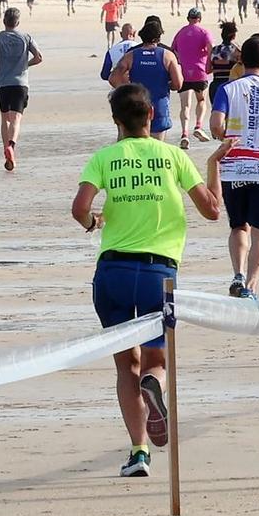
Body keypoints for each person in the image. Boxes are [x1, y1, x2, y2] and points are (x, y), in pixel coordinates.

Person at [71, 83, 220, 478]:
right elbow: (212, 211)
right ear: (151, 116)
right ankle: (154, 388)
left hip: (113, 271)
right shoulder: (173, 156)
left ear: (116, 121)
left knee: (125, 365)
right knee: (156, 360)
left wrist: (93, 222)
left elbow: (80, 208)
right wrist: (213, 169)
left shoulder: (104, 157)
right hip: (159, 272)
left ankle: (138, 452)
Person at [208, 35, 259, 300]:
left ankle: (238, 274)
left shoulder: (227, 89)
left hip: (233, 167)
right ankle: (251, 286)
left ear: (241, 59)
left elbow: (216, 124)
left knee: (239, 226)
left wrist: (225, 137)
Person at [112, 16, 186, 146]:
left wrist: (128, 90)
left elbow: (113, 78)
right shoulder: (167, 55)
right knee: (157, 149)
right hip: (159, 106)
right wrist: (168, 85)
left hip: (137, 106)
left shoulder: (131, 55)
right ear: (158, 37)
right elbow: (178, 84)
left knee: (134, 149)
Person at [0, 8, 42, 172]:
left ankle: (6, 152)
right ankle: (11, 146)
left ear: (4, 21)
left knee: (5, 119)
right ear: (17, 22)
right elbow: (39, 57)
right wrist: (25, 64)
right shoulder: (26, 37)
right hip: (20, 83)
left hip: (3, 84)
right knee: (16, 119)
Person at [172, 7, 214, 140]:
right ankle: (198, 126)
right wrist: (209, 65)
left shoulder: (180, 32)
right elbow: (210, 49)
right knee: (201, 100)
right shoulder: (204, 32)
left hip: (184, 73)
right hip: (200, 72)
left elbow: (173, 50)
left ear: (188, 18)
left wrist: (180, 61)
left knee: (185, 105)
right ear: (199, 19)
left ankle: (184, 134)